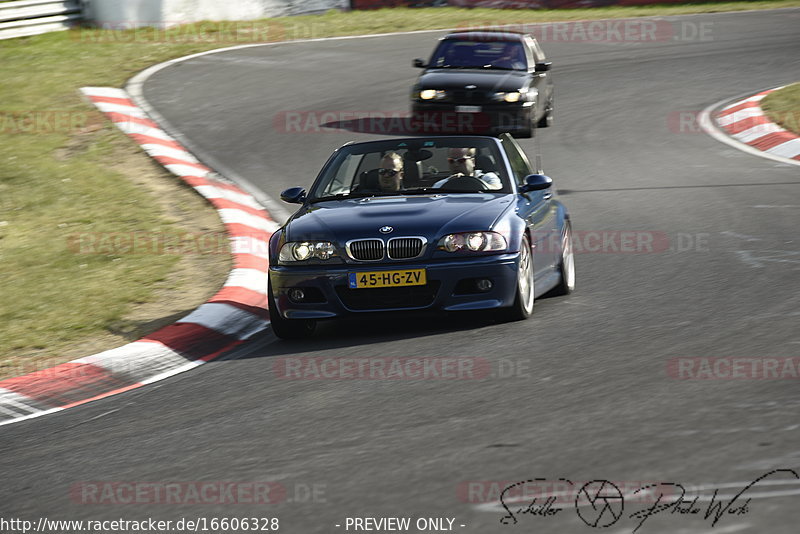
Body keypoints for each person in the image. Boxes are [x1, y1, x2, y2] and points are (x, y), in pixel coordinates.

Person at [433, 147, 502, 190]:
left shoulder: (487, 178)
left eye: (461, 161)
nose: (456, 165)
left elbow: (499, 192)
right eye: (451, 161)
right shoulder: (440, 185)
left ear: (473, 161)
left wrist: (471, 182)